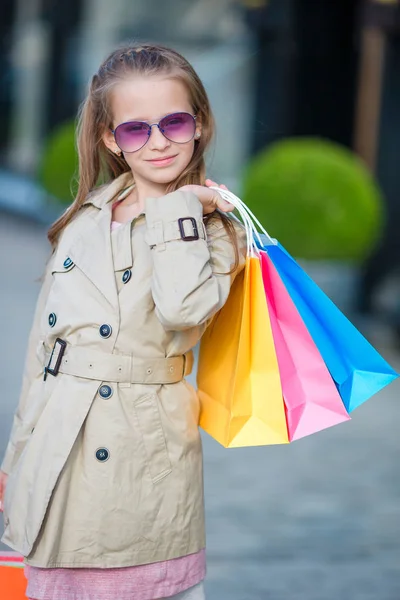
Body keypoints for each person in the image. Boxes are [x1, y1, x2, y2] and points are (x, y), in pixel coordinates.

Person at [0, 43, 247, 600]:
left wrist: (181, 209)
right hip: (57, 444)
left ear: (200, 126)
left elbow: (184, 310)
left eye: (174, 122)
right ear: (111, 139)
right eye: (136, 130)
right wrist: (17, 456)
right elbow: (44, 351)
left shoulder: (214, 229)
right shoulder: (85, 217)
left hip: (140, 453)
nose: (158, 142)